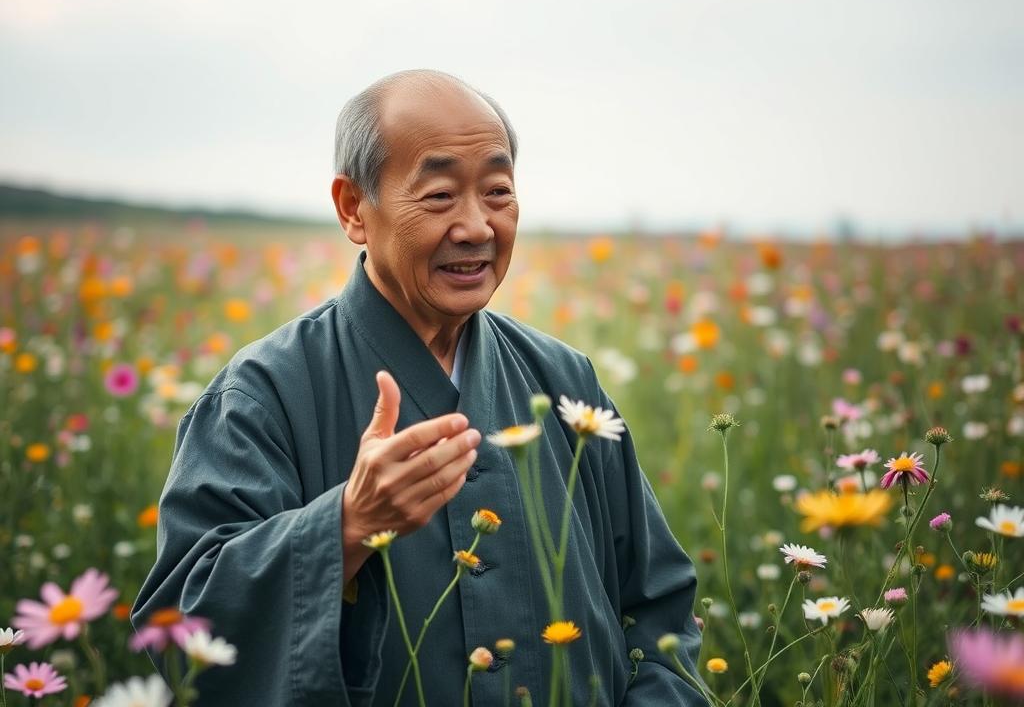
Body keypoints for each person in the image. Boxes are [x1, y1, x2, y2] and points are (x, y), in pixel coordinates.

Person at [133, 69, 706, 706]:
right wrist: (345, 525)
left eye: (497, 192)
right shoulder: (264, 394)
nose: (476, 227)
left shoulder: (564, 381)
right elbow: (181, 630)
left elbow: (661, 614)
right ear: (353, 208)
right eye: (438, 197)